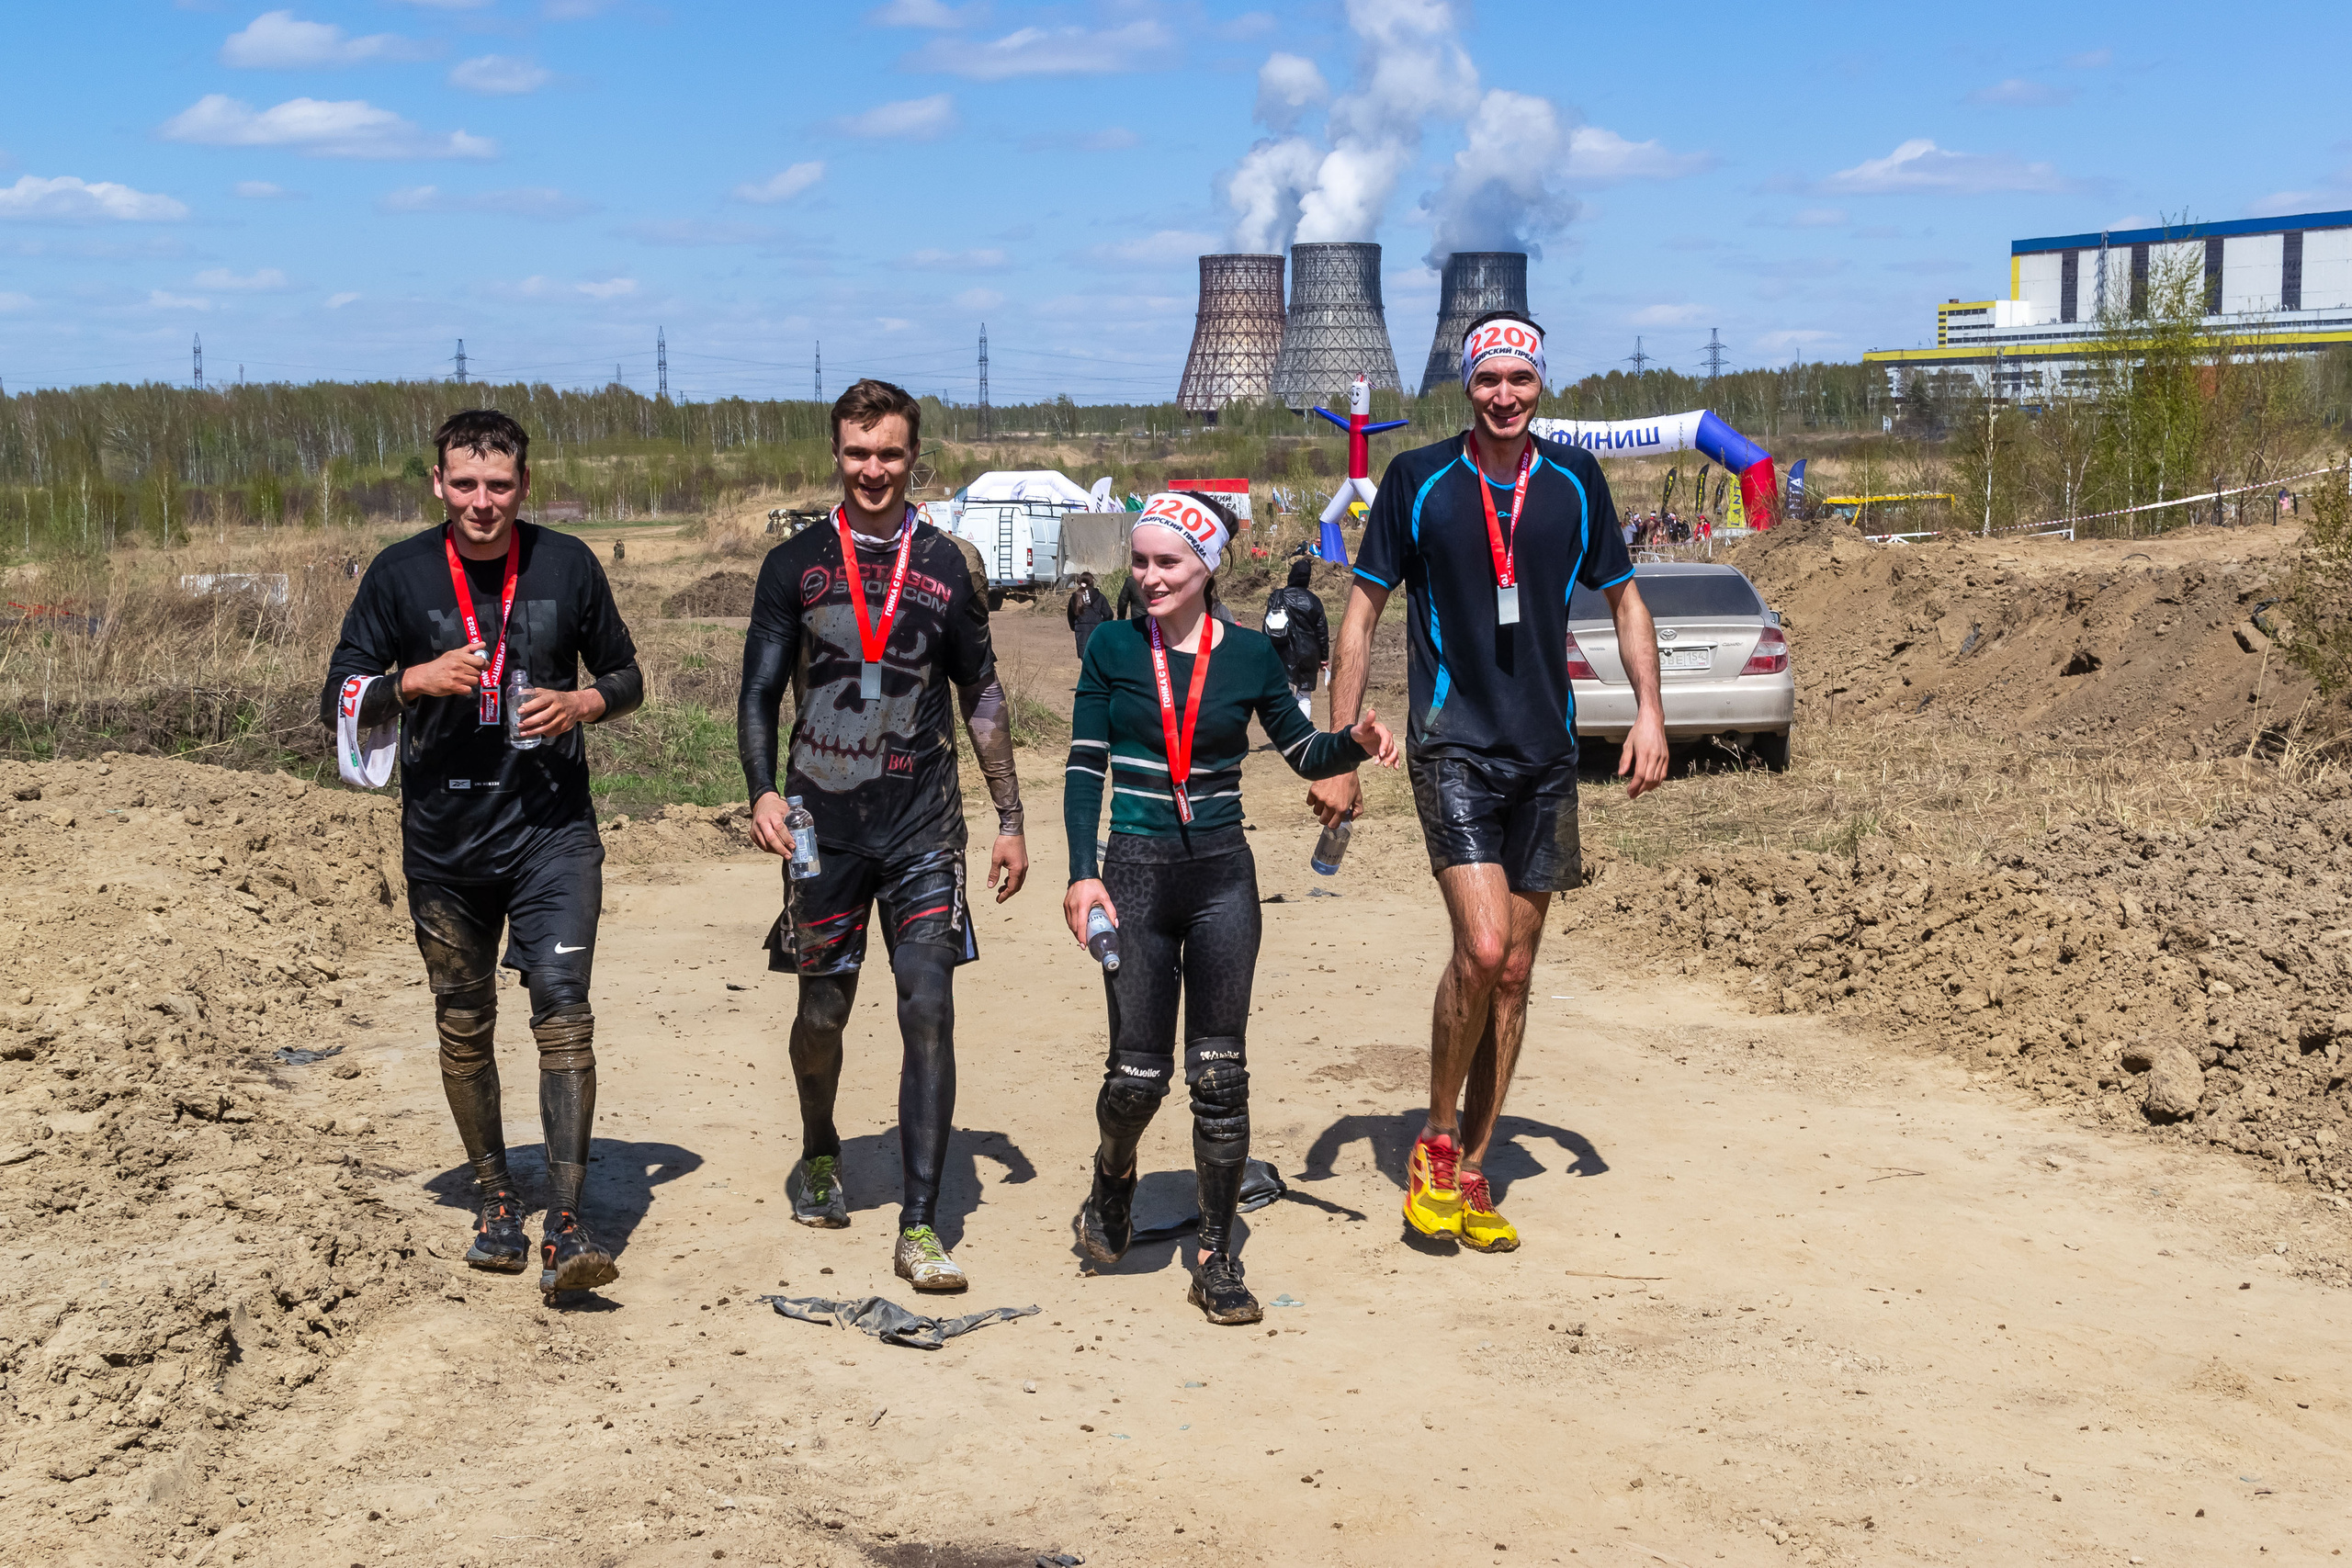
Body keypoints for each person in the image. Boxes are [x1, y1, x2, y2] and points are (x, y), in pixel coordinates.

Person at [1308, 310, 1669, 1254]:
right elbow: (1358, 617)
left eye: (1519, 378)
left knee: (1515, 970)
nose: (1503, 395)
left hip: (1545, 751)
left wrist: (1648, 712)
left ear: (1540, 381)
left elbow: (1625, 596)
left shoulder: (1574, 481)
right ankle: (1432, 1142)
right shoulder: (1417, 480)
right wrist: (1338, 751)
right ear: (1464, 387)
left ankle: (1473, 1168)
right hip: (1453, 743)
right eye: (1486, 380)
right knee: (1479, 944)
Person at [322, 409, 643, 1301]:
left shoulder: (569, 564)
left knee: (563, 1010)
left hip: (553, 834)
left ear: (523, 487)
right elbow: (337, 695)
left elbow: (626, 677)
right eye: (464, 484)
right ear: (438, 484)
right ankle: (499, 1201)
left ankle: (569, 1222)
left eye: (498, 485)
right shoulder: (399, 574)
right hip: (445, 844)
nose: (481, 502)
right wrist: (410, 683)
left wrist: (583, 706)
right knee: (463, 1022)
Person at [1063, 491, 1396, 1324]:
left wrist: (1351, 740)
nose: (1147, 577)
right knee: (1136, 1078)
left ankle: (1214, 1255)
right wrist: (1081, 874)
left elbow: (1303, 750)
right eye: (1139, 562)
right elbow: (1082, 767)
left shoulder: (1247, 657)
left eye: (1166, 562)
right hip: (1133, 874)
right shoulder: (1108, 645)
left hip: (1220, 880)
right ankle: (1113, 1177)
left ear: (1206, 567)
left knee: (1221, 1076)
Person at [737, 378, 1028, 1293]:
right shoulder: (795, 564)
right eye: (859, 455)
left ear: (913, 460)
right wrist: (760, 792)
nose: (873, 471)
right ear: (837, 454)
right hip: (822, 828)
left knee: (926, 1006)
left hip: (920, 826)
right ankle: (820, 1144)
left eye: (890, 455)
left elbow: (979, 692)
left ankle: (919, 1223)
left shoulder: (947, 564)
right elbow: (754, 692)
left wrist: (1010, 816)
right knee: (822, 1011)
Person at [1260, 558, 1330, 720]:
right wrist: (1324, 657)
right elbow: (1322, 632)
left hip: (1282, 650)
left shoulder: (1277, 595)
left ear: (1291, 575)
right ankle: (1302, 735)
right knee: (1304, 695)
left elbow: (1268, 623)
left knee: (1285, 693)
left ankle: (1287, 733)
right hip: (1309, 652)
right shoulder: (1314, 601)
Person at [1067, 571, 1112, 660]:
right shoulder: (1100, 596)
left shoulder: (1075, 596)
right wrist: (1104, 626)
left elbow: (1070, 614)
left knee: (1085, 657)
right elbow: (1108, 614)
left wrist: (1074, 626)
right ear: (1092, 582)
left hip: (1081, 630)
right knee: (1097, 656)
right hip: (1097, 629)